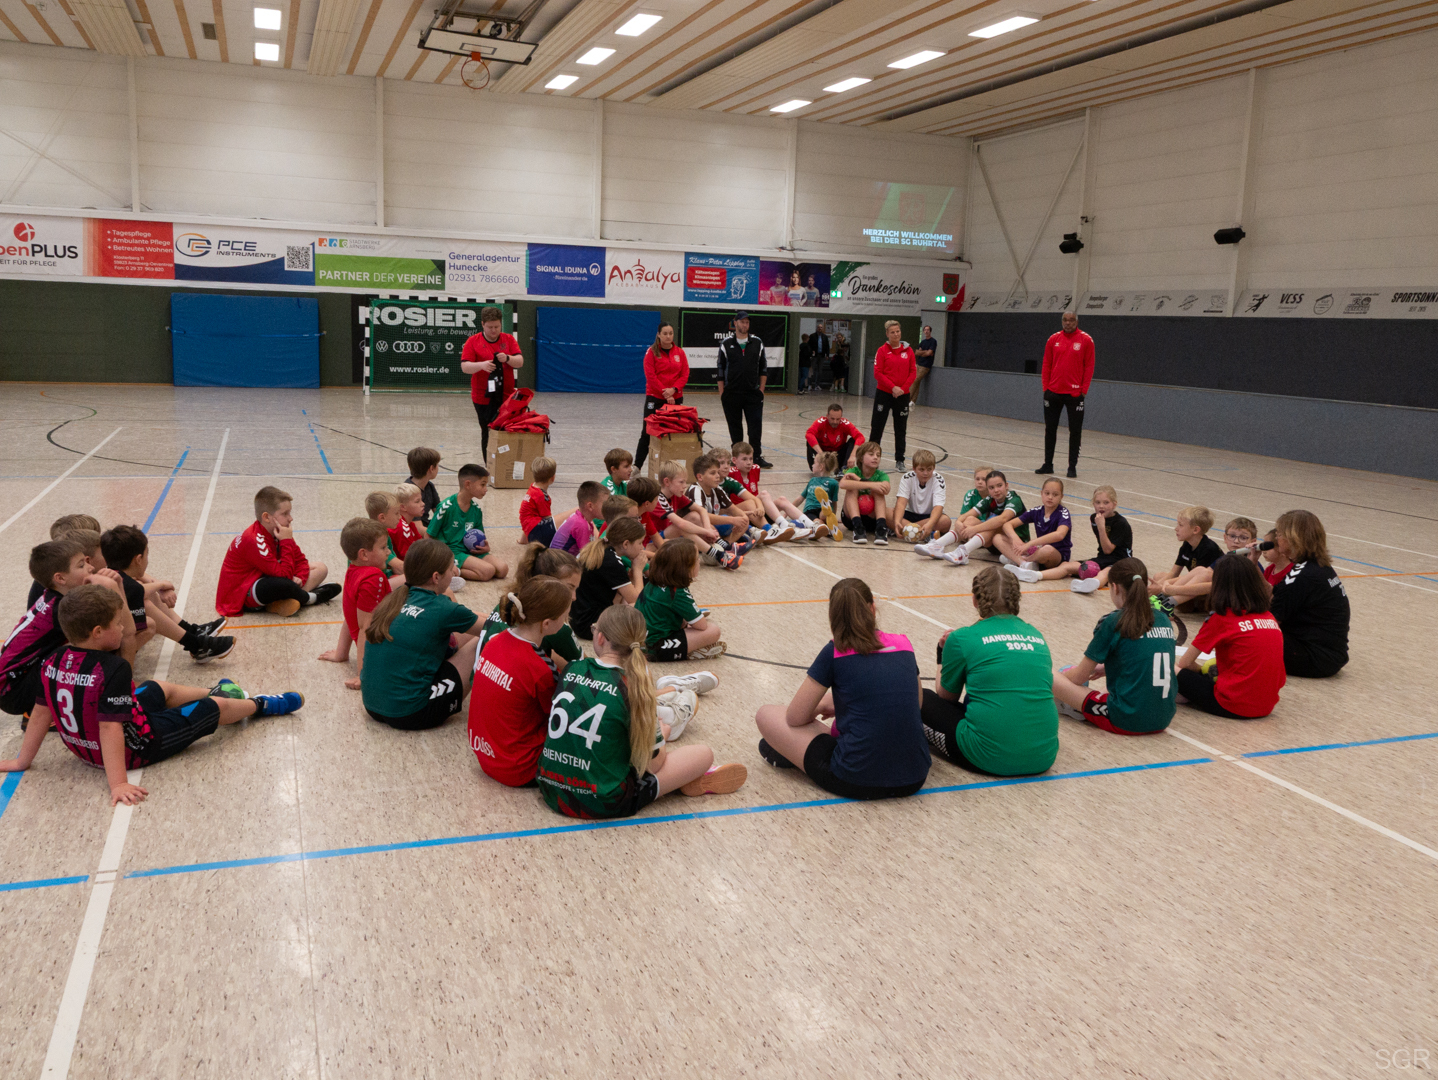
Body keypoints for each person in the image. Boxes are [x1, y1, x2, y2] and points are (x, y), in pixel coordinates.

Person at [0, 585, 301, 806]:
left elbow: (41, 713)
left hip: (83, 749)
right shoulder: (114, 667)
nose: (123, 628)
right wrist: (118, 783)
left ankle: (218, 690)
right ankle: (259, 704)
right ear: (98, 632)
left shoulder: (52, 660)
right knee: (213, 708)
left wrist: (22, 760)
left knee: (157, 687)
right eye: (118, 623)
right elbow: (110, 728)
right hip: (138, 746)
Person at [537, 605, 746, 818]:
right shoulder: (636, 690)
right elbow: (653, 765)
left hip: (550, 789)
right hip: (601, 802)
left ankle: (679, 763)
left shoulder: (573, 668)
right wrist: (662, 736)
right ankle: (683, 777)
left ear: (600, 638)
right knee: (702, 754)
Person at [754, 578, 930, 799]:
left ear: (833, 617)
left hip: (855, 779)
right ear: (872, 608)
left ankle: (793, 751)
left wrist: (821, 706)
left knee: (766, 715)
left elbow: (794, 718)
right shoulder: (904, 644)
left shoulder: (835, 651)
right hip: (915, 777)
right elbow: (916, 704)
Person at [921, 566, 1059, 776]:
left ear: (975, 600)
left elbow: (946, 696)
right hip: (1044, 755)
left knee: (922, 698)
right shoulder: (1036, 635)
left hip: (988, 757)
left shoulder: (961, 638)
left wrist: (942, 655)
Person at [360, 539, 484, 730]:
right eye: (451, 568)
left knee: (454, 632)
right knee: (483, 640)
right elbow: (495, 627)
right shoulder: (442, 607)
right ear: (436, 577)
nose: (454, 572)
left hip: (372, 706)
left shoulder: (393, 599)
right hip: (412, 713)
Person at [1053, 558, 1177, 735]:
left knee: (1049, 674)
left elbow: (1079, 677)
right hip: (1164, 717)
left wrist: (1062, 680)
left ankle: (1075, 706)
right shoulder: (1163, 618)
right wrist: (1107, 667)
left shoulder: (1113, 621)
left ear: (1115, 587)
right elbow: (1147, 656)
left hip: (1126, 719)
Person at [468, 577, 569, 787]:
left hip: (485, 756)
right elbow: (561, 716)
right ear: (547, 624)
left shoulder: (495, 641)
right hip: (519, 769)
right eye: (565, 615)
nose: (567, 620)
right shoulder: (540, 668)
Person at [2, 539, 114, 718]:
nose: (91, 567)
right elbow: (110, 634)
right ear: (60, 578)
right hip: (14, 692)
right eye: (81, 565)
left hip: (14, 682)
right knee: (94, 642)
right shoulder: (61, 609)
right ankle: (40, 712)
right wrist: (114, 587)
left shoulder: (55, 596)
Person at [100, 524, 233, 663]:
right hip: (109, 653)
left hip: (108, 638)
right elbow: (138, 591)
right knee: (146, 611)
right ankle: (196, 645)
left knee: (144, 594)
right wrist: (161, 585)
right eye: (147, 555)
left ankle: (192, 633)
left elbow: (139, 589)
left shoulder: (112, 574)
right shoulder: (123, 583)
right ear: (138, 560)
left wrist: (157, 586)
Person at [1176, 554, 1285, 719]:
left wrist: (1202, 672)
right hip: (1267, 705)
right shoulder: (1268, 616)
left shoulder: (1221, 618)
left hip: (1233, 705)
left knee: (1170, 667)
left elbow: (1185, 663)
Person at [215, 486, 339, 618]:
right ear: (267, 517)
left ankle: (284, 601)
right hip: (243, 593)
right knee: (280, 584)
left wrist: (299, 578)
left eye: (290, 513)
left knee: (320, 568)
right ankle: (310, 598)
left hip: (272, 576)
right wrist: (286, 541)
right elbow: (284, 577)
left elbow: (301, 561)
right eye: (285, 514)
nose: (290, 518)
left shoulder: (280, 532)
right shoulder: (254, 540)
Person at [1269, 509, 1350, 677]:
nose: (1277, 539)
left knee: (1248, 631)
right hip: (1330, 654)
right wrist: (1253, 565)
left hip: (1314, 657)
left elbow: (1269, 620)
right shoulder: (1317, 566)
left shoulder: (1303, 576)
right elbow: (1277, 594)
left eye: (1279, 535)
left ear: (1293, 539)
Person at [319, 518, 392, 690]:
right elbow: (366, 627)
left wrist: (341, 653)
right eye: (383, 547)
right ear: (364, 554)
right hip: (384, 651)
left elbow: (350, 614)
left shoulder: (353, 571)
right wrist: (362, 674)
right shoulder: (374, 577)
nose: (388, 552)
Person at [635, 538, 724, 661]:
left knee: (684, 621)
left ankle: (688, 648)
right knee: (713, 630)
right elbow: (702, 626)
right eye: (696, 559)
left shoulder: (656, 581)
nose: (699, 561)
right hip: (654, 647)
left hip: (640, 638)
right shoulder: (677, 592)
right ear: (684, 568)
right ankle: (688, 651)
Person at [915, 469, 1025, 565]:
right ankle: (938, 545)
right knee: (970, 520)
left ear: (1006, 485)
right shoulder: (989, 500)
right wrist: (958, 522)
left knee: (993, 525)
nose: (996, 490)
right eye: (991, 487)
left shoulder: (1014, 499)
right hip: (994, 544)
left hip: (1015, 544)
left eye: (999, 486)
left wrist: (974, 529)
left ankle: (964, 551)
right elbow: (967, 515)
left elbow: (1002, 519)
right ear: (988, 489)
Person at [460, 305, 524, 462]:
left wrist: (508, 358)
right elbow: (465, 367)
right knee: (487, 431)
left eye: (497, 326)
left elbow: (520, 361)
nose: (494, 330)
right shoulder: (473, 341)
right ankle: (489, 465)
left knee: (508, 431)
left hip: (506, 396)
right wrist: (481, 365)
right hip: (483, 397)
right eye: (490, 327)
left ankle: (505, 463)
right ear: (482, 324)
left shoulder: (508, 339)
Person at [1037, 310, 1095, 479]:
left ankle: (1072, 466)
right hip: (1053, 392)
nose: (1068, 323)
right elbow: (1046, 363)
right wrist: (1046, 388)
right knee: (1050, 429)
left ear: (1076, 322)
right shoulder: (1053, 339)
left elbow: (1089, 366)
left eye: (1071, 320)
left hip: (1074, 394)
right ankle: (1048, 464)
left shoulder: (1086, 340)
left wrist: (1083, 390)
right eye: (1065, 320)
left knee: (1075, 431)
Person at [428, 463, 508, 583]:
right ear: (468, 484)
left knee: (503, 569)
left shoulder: (476, 510)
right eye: (482, 484)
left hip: (470, 550)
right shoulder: (446, 507)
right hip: (452, 552)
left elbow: (479, 534)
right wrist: (438, 559)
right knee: (488, 571)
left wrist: (485, 547)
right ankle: (451, 572)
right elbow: (428, 536)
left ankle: (460, 568)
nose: (486, 489)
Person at [572, 516, 648, 639]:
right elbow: (637, 601)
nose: (642, 547)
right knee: (641, 609)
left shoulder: (602, 549)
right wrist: (638, 570)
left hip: (580, 618)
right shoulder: (612, 562)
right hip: (591, 626)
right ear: (626, 544)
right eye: (640, 543)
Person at [715, 312, 772, 469]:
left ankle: (756, 456)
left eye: (747, 322)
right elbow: (720, 369)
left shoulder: (757, 342)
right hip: (731, 394)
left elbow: (763, 368)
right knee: (735, 428)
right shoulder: (726, 344)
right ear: (735, 323)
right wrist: (722, 393)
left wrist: (761, 390)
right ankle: (737, 458)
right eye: (742, 322)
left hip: (752, 394)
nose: (745, 325)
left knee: (755, 427)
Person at [996, 477, 1072, 582]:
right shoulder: (1037, 511)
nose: (1050, 497)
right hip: (1038, 551)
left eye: (1055, 495)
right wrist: (1015, 539)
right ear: (1041, 493)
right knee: (997, 538)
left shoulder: (1063, 513)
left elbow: (1059, 535)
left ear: (1061, 497)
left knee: (1047, 549)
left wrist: (1030, 544)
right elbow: (1007, 525)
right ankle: (1024, 563)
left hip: (1056, 556)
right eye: (1047, 493)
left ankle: (1020, 561)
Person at [635, 322, 689, 466]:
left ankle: (672, 467)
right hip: (655, 398)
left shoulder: (680, 353)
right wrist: (665, 393)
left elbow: (685, 374)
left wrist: (674, 389)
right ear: (658, 335)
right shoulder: (651, 352)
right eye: (665, 333)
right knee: (647, 432)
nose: (668, 336)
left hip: (675, 398)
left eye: (670, 333)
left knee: (673, 433)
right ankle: (637, 466)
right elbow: (651, 376)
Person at [1068, 485, 1135, 593]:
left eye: (1106, 502)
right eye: (1097, 502)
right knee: (1068, 566)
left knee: (1105, 573)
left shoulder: (1121, 523)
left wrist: (1101, 528)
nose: (1101, 506)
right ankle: (1039, 574)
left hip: (1121, 561)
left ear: (1114, 504)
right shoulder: (1094, 518)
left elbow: (1108, 550)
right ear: (1093, 504)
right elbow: (1104, 552)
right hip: (1103, 558)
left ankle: (1089, 585)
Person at [869, 320, 917, 470]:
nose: (896, 334)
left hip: (902, 395)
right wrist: (893, 387)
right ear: (887, 334)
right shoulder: (882, 351)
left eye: (898, 331)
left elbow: (913, 372)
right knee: (877, 427)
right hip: (884, 393)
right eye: (892, 332)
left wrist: (902, 388)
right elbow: (878, 373)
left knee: (900, 428)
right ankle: (871, 459)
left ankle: (900, 460)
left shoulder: (908, 351)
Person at [892, 449, 949, 544]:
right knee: (888, 513)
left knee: (945, 521)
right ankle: (921, 532)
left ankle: (908, 530)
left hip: (929, 516)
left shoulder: (939, 480)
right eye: (921, 469)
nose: (925, 473)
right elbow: (901, 503)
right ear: (914, 469)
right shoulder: (907, 477)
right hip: (910, 514)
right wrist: (897, 521)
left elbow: (938, 507)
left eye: (929, 469)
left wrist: (930, 524)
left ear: (934, 468)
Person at [840, 441, 892, 545]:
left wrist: (863, 482)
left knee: (878, 490)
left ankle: (881, 528)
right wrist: (870, 484)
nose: (875, 457)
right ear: (860, 458)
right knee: (852, 488)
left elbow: (886, 489)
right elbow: (842, 484)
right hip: (850, 519)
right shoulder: (854, 471)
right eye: (871, 454)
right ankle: (858, 527)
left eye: (878, 455)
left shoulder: (881, 475)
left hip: (872, 518)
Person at [551, 481, 606, 556]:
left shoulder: (583, 519)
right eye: (604, 504)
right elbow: (587, 556)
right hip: (559, 562)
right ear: (590, 506)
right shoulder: (581, 524)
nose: (607, 507)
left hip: (560, 559)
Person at [804, 402, 864, 471]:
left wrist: (853, 455)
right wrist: (821, 453)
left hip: (838, 455)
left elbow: (860, 437)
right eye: (832, 419)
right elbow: (809, 434)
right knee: (810, 440)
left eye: (838, 419)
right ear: (827, 416)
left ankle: (844, 468)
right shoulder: (821, 422)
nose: (835, 422)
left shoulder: (845, 423)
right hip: (823, 455)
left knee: (853, 441)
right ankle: (818, 467)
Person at [520, 457, 558, 547]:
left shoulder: (533, 487)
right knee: (564, 521)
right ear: (552, 478)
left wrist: (523, 539)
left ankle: (524, 539)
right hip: (535, 533)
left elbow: (528, 515)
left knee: (532, 516)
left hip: (528, 527)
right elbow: (548, 518)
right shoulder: (541, 496)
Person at [404, 447, 443, 527]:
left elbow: (440, 512)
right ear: (431, 469)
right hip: (415, 531)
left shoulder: (429, 486)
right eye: (437, 465)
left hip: (426, 525)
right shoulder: (409, 492)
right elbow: (417, 528)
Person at [390, 483, 427, 560]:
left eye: (421, 500)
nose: (423, 504)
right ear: (403, 507)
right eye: (417, 501)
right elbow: (409, 558)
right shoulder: (402, 527)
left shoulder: (410, 524)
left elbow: (421, 546)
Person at [913, 324, 938, 398]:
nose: (926, 331)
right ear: (923, 331)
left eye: (928, 330)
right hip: (919, 364)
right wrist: (925, 352)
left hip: (926, 365)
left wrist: (922, 352)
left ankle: (908, 399)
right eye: (925, 330)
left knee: (916, 380)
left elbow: (929, 353)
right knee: (916, 382)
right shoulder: (922, 342)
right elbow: (916, 352)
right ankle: (913, 401)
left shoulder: (933, 341)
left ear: (930, 331)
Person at [809, 322, 829, 391]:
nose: (820, 329)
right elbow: (809, 345)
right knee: (812, 370)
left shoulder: (825, 337)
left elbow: (827, 346)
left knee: (820, 371)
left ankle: (817, 385)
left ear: (822, 328)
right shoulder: (812, 336)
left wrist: (827, 354)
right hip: (815, 355)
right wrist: (811, 352)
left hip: (822, 355)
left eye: (821, 327)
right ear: (816, 328)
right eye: (818, 327)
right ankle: (810, 384)